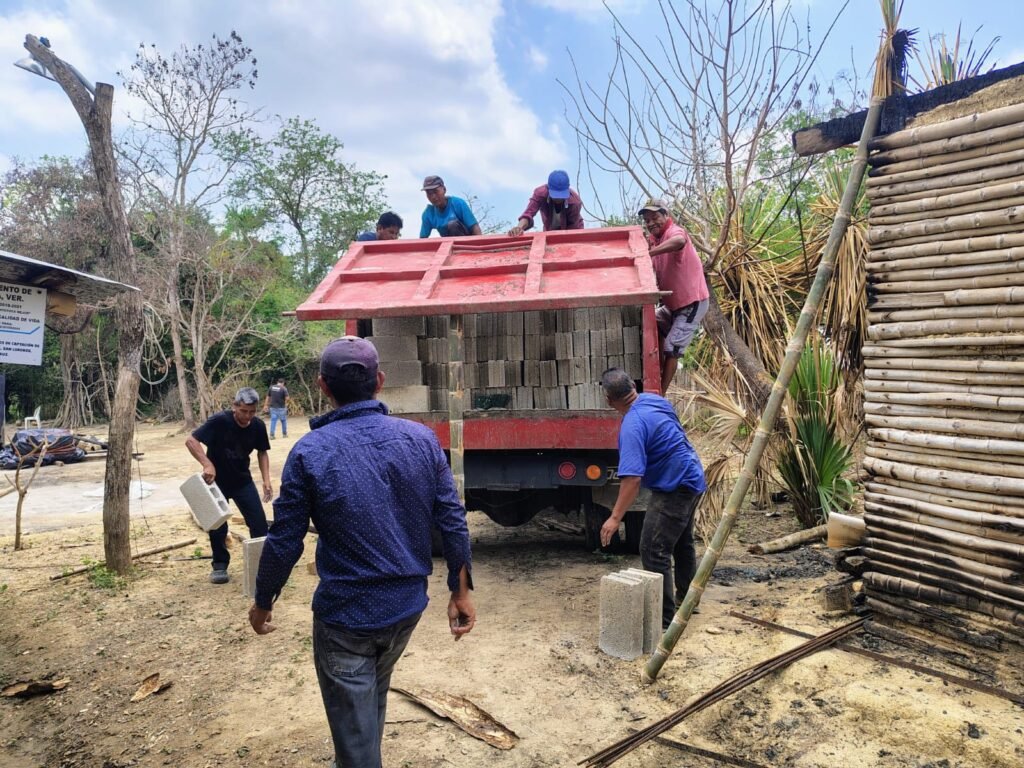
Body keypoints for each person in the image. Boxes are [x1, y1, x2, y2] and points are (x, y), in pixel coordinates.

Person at [248, 336, 475, 767]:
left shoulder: (309, 452)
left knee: (356, 728)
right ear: (380, 381)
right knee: (369, 699)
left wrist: (263, 601)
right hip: (406, 608)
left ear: (322, 386)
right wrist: (460, 591)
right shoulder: (422, 440)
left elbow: (285, 541)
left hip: (346, 621)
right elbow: (452, 518)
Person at [598, 368, 705, 629]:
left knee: (653, 549)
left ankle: (665, 621)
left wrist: (614, 518)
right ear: (633, 386)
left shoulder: (632, 425)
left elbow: (632, 480)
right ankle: (688, 602)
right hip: (693, 475)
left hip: (675, 487)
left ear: (609, 400)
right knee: (681, 542)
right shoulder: (655, 401)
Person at [185, 388, 272, 584]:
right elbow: (191, 441)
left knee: (258, 523)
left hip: (243, 481)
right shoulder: (220, 421)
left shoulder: (257, 426)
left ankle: (262, 566)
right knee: (217, 526)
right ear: (235, 407)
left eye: (252, 411)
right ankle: (220, 565)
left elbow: (262, 452)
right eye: (243, 411)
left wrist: (266, 480)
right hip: (216, 483)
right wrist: (207, 464)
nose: (247, 416)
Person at [637, 199, 710, 393]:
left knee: (672, 348)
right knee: (650, 324)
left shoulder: (674, 231)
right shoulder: (655, 239)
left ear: (666, 215)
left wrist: (650, 253)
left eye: (655, 218)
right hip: (672, 306)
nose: (651, 223)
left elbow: (679, 241)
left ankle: (661, 393)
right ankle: (654, 376)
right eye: (647, 220)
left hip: (692, 302)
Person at [507, 169, 584, 236]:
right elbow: (528, 213)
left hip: (571, 230)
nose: (558, 199)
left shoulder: (575, 202)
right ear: (548, 188)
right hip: (549, 231)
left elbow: (573, 229)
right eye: (555, 195)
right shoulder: (540, 194)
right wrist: (519, 227)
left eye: (561, 195)